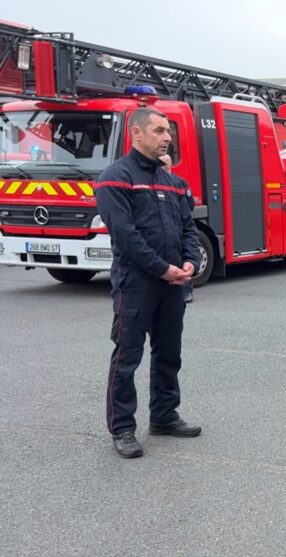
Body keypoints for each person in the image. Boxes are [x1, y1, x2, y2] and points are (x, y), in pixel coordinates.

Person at [96, 107, 202, 458]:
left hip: (172, 283)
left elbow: (188, 227)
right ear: (136, 133)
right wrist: (163, 268)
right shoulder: (115, 178)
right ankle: (123, 428)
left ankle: (164, 415)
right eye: (159, 130)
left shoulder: (174, 183)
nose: (167, 137)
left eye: (168, 131)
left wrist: (190, 261)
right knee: (127, 357)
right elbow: (125, 236)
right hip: (136, 284)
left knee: (169, 352)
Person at [159, 154, 196, 304]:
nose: (164, 167)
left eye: (166, 164)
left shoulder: (179, 182)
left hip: (178, 225)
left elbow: (189, 203)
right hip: (166, 226)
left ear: (170, 165)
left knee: (183, 259)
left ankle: (186, 291)